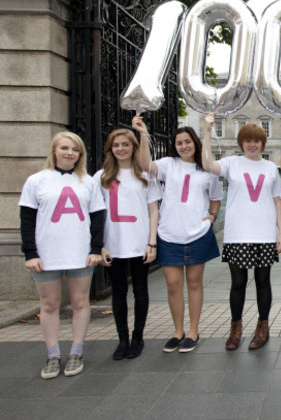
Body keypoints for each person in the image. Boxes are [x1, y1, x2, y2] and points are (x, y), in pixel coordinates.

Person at [19, 132, 106, 379]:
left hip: (80, 253)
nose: (70, 153)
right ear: (54, 151)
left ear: (80, 154)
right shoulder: (37, 181)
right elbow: (27, 220)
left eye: (75, 149)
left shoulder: (88, 182)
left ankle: (76, 352)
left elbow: (98, 217)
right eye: (65, 148)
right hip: (46, 254)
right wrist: (30, 253)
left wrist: (95, 249)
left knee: (80, 303)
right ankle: (53, 355)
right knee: (49, 305)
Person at [133, 116, 222, 354]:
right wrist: (143, 134)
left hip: (197, 234)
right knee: (173, 285)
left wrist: (212, 217)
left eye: (188, 141)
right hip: (169, 234)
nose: (184, 146)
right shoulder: (167, 164)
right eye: (180, 142)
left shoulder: (206, 169)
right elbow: (145, 166)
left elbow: (216, 197)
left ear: (195, 142)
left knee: (194, 283)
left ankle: (193, 331)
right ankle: (177, 331)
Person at [202, 113, 281, 351]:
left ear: (262, 143)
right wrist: (207, 132)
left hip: (264, 233)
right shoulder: (231, 163)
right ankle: (235, 327)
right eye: (248, 140)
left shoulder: (270, 167)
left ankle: (263, 326)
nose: (252, 144)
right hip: (237, 233)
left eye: (256, 141)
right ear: (241, 143)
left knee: (263, 281)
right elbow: (208, 165)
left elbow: (277, 201)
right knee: (238, 283)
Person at [94, 128, 161, 359]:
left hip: (140, 242)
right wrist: (99, 246)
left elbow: (153, 210)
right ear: (110, 149)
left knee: (141, 291)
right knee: (118, 293)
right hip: (113, 244)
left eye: (125, 144)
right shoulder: (101, 177)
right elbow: (95, 213)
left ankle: (138, 336)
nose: (121, 149)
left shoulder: (144, 176)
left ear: (133, 147)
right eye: (116, 145)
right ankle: (122, 338)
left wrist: (152, 242)